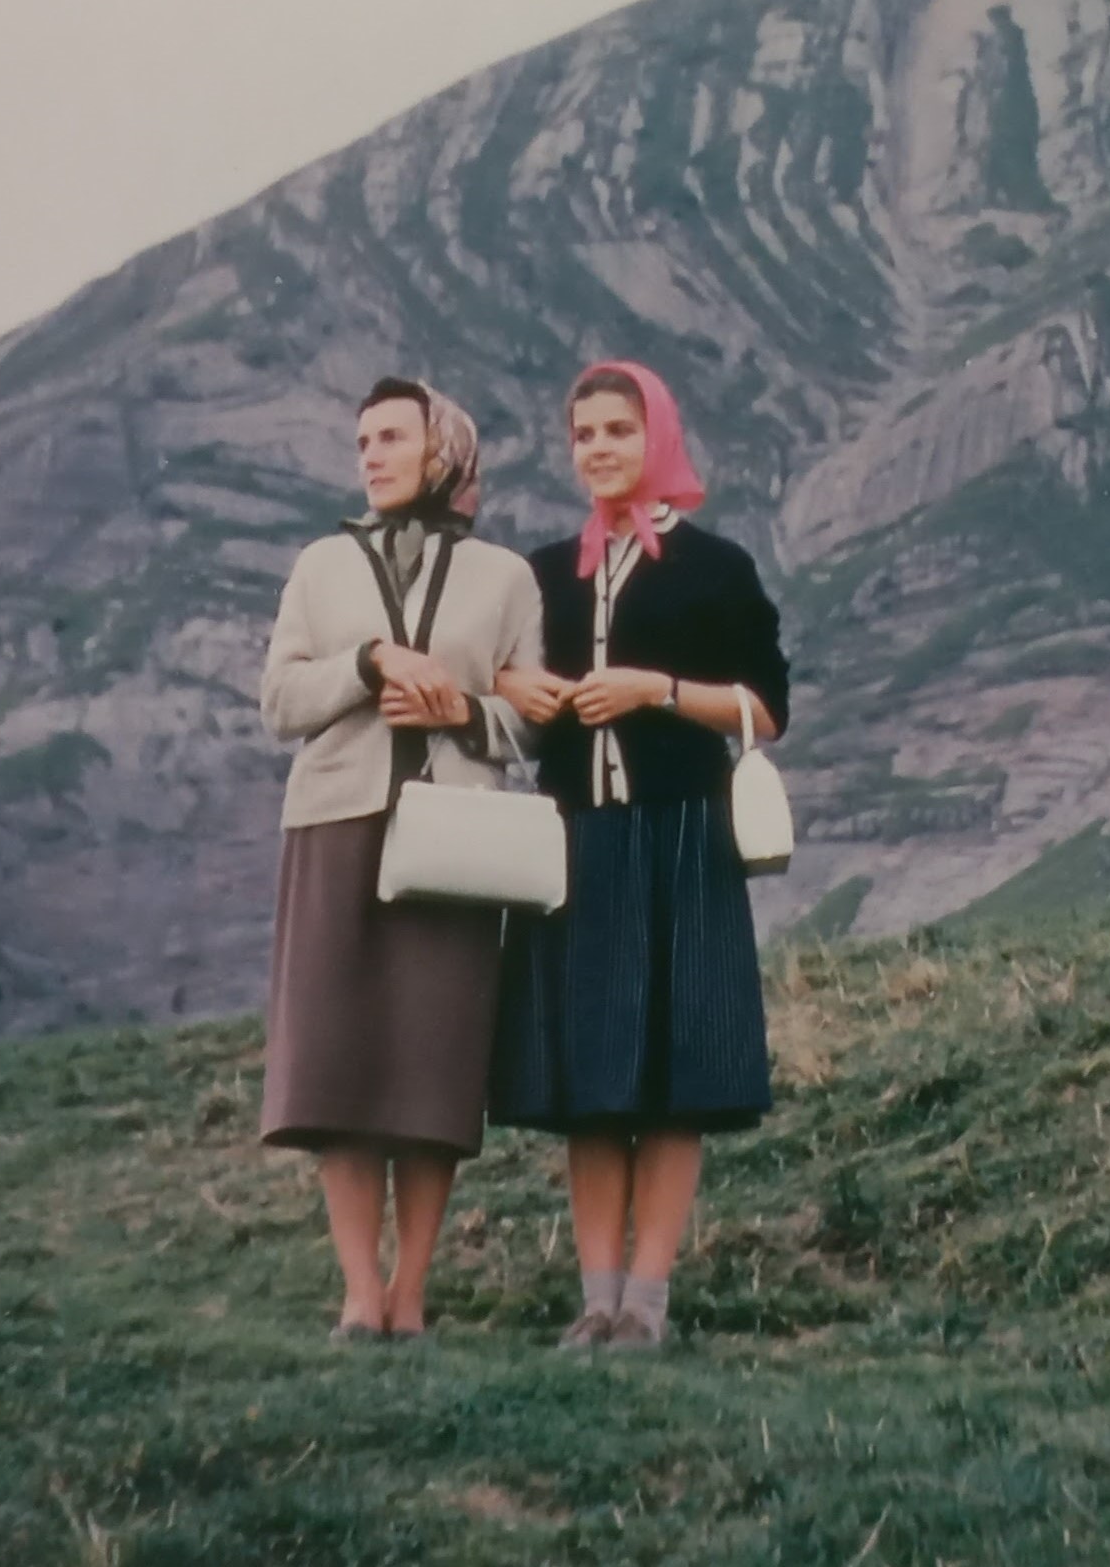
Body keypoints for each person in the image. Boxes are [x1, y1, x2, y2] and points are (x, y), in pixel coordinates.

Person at [492, 359, 792, 1352]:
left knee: (674, 1078)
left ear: (657, 437)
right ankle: (596, 1301)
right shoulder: (543, 575)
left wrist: (654, 691)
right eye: (583, 434)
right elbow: (507, 694)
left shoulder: (716, 568)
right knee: (591, 1083)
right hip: (578, 841)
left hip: (681, 837)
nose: (599, 449)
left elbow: (764, 710)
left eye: (618, 430)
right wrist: (516, 688)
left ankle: (647, 1305)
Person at [256, 377, 544, 1341]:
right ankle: (358, 1291)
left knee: (433, 1070)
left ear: (443, 451)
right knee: (337, 1068)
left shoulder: (505, 577)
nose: (372, 456)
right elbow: (279, 701)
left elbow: (532, 719)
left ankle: (412, 1292)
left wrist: (462, 711)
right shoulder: (319, 566)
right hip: (335, 825)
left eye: (392, 437)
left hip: (456, 839)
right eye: (363, 441)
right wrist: (369, 663)